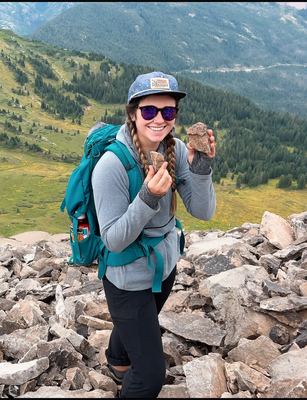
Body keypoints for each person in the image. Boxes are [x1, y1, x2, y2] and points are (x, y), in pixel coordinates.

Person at [91, 71, 216, 398]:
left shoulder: (172, 150)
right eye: (149, 111)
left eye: (169, 111)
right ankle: (128, 378)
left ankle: (118, 363)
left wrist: (201, 168)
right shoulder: (112, 165)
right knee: (149, 376)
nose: (159, 119)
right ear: (133, 113)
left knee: (137, 322)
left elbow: (202, 211)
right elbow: (113, 240)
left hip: (164, 266)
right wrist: (147, 199)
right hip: (127, 278)